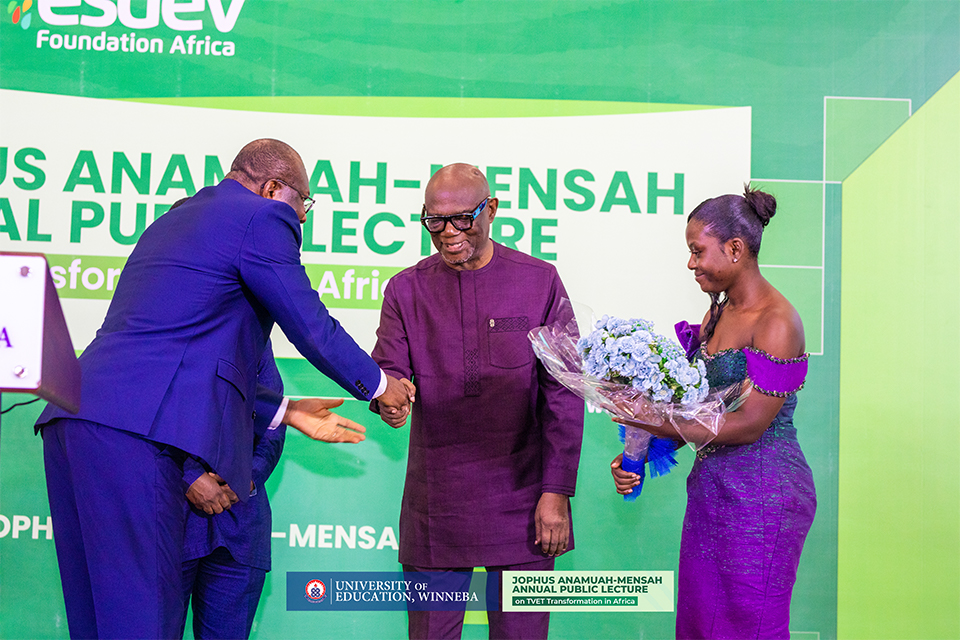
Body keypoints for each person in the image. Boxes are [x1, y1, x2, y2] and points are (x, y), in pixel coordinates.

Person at [35, 138, 414, 639]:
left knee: (100, 619)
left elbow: (178, 350)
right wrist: (379, 385)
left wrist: (285, 408)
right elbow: (309, 323)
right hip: (134, 434)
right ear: (274, 187)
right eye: (305, 204)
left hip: (77, 417)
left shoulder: (175, 220)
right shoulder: (261, 218)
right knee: (142, 624)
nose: (302, 219)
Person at [371, 163, 585, 640]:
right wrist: (391, 399)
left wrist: (557, 492)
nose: (447, 234)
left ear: (491, 210)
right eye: (434, 221)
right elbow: (389, 369)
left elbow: (563, 396)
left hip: (527, 499)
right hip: (436, 502)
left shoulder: (540, 280)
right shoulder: (405, 289)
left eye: (461, 219)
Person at [611, 185, 817, 640]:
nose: (691, 263)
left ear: (735, 249)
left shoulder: (777, 321)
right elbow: (700, 411)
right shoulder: (716, 316)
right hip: (711, 492)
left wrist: (648, 418)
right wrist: (643, 449)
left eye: (697, 251)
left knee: (748, 626)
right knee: (702, 625)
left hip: (764, 499)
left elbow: (746, 425)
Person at [177, 343, 284, 640]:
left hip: (241, 527)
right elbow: (145, 410)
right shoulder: (165, 326)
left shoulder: (256, 338)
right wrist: (189, 475)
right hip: (171, 522)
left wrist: (248, 475)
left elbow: (274, 420)